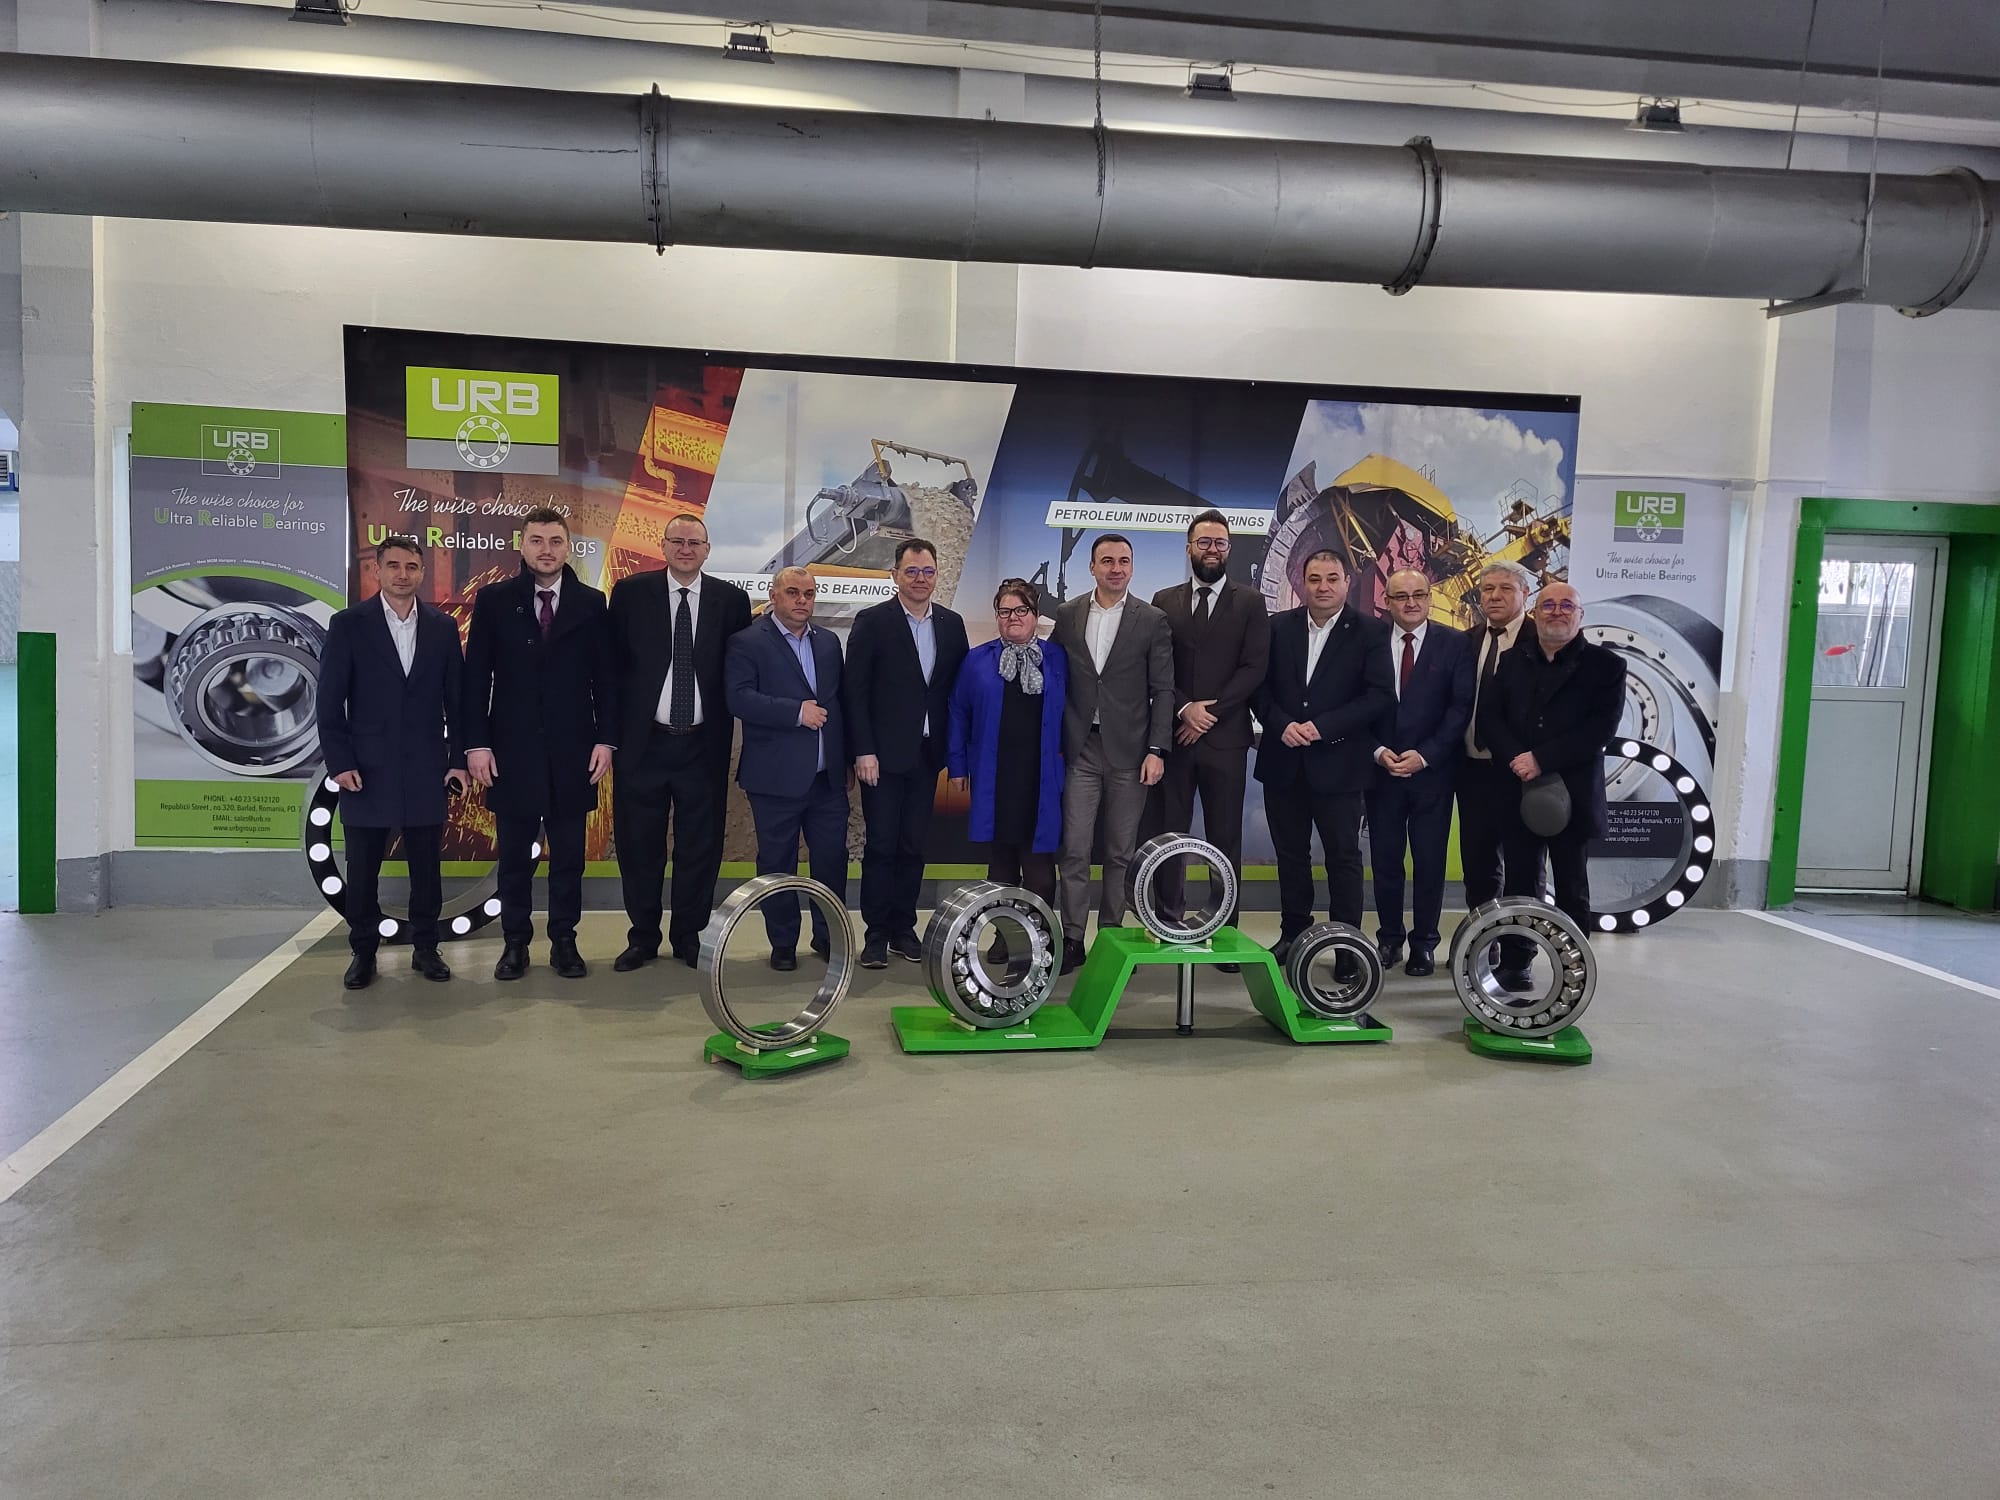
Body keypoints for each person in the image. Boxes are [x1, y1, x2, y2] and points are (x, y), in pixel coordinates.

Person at [462, 507, 617, 983]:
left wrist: (606, 739)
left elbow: (606, 679)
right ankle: (515, 943)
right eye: (536, 540)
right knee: (514, 859)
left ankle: (564, 942)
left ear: (568, 547)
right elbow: (475, 679)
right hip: (511, 753)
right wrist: (476, 745)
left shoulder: (592, 603)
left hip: (575, 753)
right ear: (522, 545)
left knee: (569, 859)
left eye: (554, 541)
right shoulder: (493, 600)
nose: (546, 550)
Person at [316, 534, 469, 990]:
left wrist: (457, 760)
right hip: (365, 769)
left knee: (427, 868)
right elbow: (329, 702)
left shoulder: (443, 627)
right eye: (394, 566)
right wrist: (339, 761)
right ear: (377, 570)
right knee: (363, 870)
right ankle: (363, 952)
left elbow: (458, 702)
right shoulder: (348, 624)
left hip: (426, 766)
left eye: (412, 567)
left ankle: (426, 948)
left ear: (422, 573)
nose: (403, 575)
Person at [606, 511, 753, 972]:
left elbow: (739, 671)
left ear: (707, 550)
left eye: (695, 542)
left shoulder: (732, 601)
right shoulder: (630, 594)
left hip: (702, 746)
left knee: (700, 848)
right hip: (643, 744)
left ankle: (689, 936)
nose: (686, 549)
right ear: (664, 546)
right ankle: (643, 938)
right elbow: (611, 669)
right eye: (678, 541)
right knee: (639, 845)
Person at [1253, 548, 1395, 966]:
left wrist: (1323, 727)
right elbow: (1258, 688)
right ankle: (1293, 934)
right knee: (1290, 856)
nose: (1323, 587)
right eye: (1315, 579)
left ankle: (1347, 947)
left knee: (1343, 859)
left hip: (1341, 766)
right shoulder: (1277, 627)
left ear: (1347, 583)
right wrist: (1281, 724)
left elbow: (1379, 696)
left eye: (1332, 578)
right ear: (1302, 583)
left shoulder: (1371, 631)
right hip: (1284, 762)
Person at [1479, 581, 1629, 973]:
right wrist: (1517, 758)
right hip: (1516, 788)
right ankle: (1516, 964)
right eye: (1548, 605)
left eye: (1566, 606)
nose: (1557, 612)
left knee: (1572, 887)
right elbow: (1490, 718)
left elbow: (1601, 728)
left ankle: (1573, 970)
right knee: (1519, 884)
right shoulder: (1512, 660)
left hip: (1573, 794)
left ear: (1580, 616)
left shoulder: (1607, 666)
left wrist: (1541, 759)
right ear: (1535, 612)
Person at [1050, 534, 1174, 974]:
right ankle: (1072, 939)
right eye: (1107, 561)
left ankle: (1111, 938)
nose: (1115, 568)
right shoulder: (1067, 614)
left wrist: (1157, 749)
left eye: (1123, 561)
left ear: (1132, 567)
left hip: (1132, 751)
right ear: (1092, 567)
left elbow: (1163, 690)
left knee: (1120, 852)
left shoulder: (1152, 619)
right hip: (1080, 747)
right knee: (1075, 848)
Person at [844, 538, 969, 970]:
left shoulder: (951, 624)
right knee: (881, 845)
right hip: (881, 758)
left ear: (937, 575)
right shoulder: (873, 621)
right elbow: (855, 692)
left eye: (927, 571)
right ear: (895, 575)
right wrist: (863, 750)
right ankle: (876, 934)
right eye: (911, 571)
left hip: (928, 755)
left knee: (913, 846)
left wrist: (957, 752)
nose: (920, 579)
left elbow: (956, 693)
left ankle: (904, 928)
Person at [1150, 510, 1270, 957]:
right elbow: (1157, 667)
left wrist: (1209, 713)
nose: (1212, 550)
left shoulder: (1251, 602)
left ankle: (1224, 931)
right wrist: (1185, 708)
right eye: (1204, 542)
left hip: (1226, 738)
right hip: (1175, 738)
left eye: (1220, 542)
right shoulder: (1163, 600)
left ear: (1229, 549)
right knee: (1170, 834)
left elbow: (1254, 668)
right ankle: (1167, 921)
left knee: (1225, 837)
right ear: (1189, 548)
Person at [724, 566, 849, 972]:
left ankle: (829, 937)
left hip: (826, 780)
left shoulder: (828, 642)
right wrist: (796, 712)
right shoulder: (747, 641)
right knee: (778, 864)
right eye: (793, 592)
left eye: (809, 594)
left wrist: (845, 760)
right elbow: (739, 698)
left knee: (832, 861)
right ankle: (782, 942)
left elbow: (838, 703)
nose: (802, 600)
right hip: (774, 778)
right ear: (774, 595)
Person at [1365, 568, 1474, 977]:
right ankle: (1390, 939)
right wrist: (1378, 752)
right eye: (1401, 596)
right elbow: (1356, 702)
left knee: (1429, 863)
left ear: (1429, 598)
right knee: (1386, 862)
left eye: (1418, 595)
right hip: (1381, 773)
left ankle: (1425, 943)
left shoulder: (1455, 643)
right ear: (1387, 602)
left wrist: (1425, 756)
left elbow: (1460, 708)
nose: (1410, 603)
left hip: (1432, 775)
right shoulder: (1369, 641)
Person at [948, 578, 1068, 914]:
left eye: (1021, 610)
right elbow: (957, 711)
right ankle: (1006, 935)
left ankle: (1039, 936)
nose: (1013, 617)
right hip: (996, 777)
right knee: (1001, 868)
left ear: (1036, 615)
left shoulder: (1057, 658)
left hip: (1040, 778)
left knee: (1040, 871)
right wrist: (957, 766)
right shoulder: (976, 660)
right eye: (1005, 611)